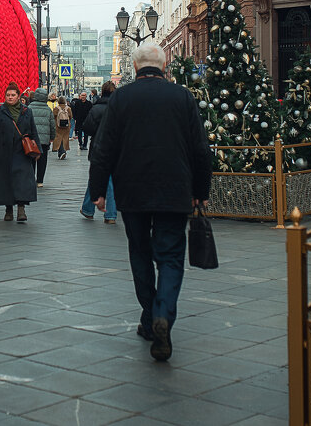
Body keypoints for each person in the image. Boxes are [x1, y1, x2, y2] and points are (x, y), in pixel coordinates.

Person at [88, 43, 212, 362]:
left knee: (140, 253)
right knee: (170, 256)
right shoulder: (182, 97)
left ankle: (149, 316)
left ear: (135, 65)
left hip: (133, 191)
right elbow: (200, 148)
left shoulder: (121, 98)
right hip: (175, 189)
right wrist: (201, 190)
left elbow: (103, 149)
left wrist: (98, 190)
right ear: (164, 64)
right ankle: (163, 316)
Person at [0, 82, 40, 222]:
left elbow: (33, 130)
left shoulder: (27, 111)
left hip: (22, 152)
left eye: (13, 95)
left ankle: (21, 209)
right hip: (4, 152)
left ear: (18, 96)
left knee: (22, 181)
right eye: (8, 95)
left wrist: (37, 149)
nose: (10, 97)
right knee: (6, 181)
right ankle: (8, 209)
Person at [80, 81, 117, 224]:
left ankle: (110, 215)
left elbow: (87, 128)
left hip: (99, 146)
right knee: (108, 179)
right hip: (116, 148)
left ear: (102, 92)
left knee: (101, 178)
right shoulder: (119, 108)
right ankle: (88, 209)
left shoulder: (96, 109)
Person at [27, 88, 54, 186]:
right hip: (44, 140)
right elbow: (52, 125)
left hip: (32, 139)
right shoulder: (48, 109)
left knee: (31, 159)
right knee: (43, 160)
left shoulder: (29, 108)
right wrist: (52, 137)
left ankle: (31, 178)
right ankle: (40, 181)